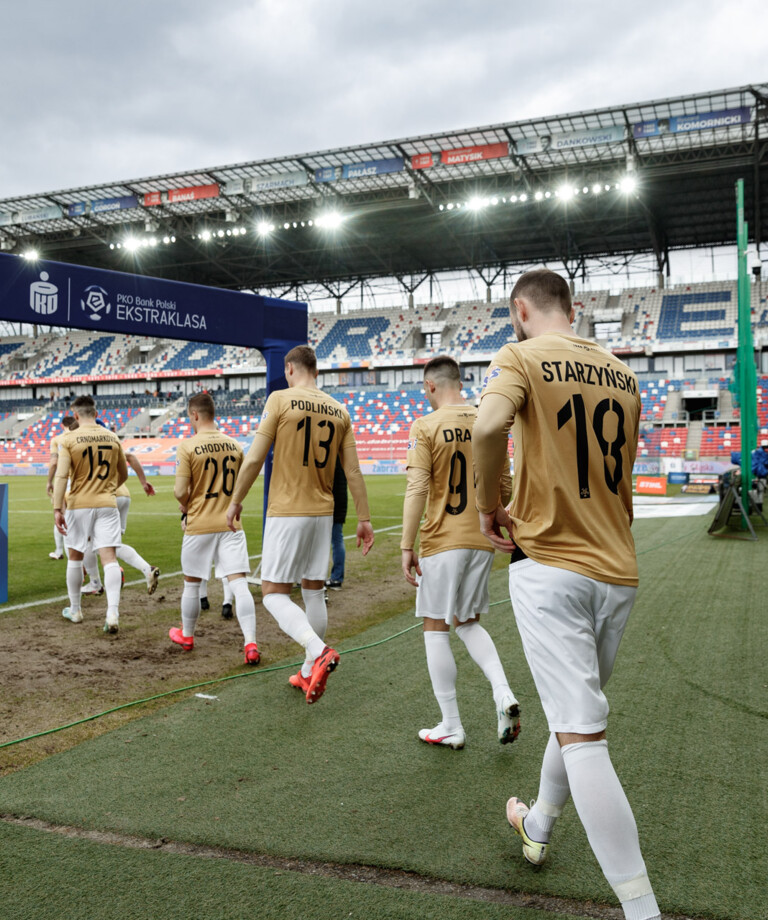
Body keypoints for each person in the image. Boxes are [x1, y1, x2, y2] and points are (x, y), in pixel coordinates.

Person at [472, 269, 660, 920]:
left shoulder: (520, 354)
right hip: (618, 568)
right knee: (572, 710)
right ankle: (540, 825)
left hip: (551, 563)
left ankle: (643, 913)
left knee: (583, 737)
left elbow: (488, 425)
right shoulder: (623, 372)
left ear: (521, 310)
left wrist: (488, 502)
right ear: (572, 309)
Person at [226, 345, 374, 704]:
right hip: (324, 512)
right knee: (312, 591)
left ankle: (317, 650)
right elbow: (352, 470)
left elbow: (255, 457)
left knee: (274, 594)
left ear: (290, 369)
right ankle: (308, 671)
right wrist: (364, 518)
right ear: (316, 371)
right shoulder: (339, 410)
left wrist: (234, 501)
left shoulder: (280, 400)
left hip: (288, 510)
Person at [401, 356, 520, 750]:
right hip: (480, 539)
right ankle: (503, 693)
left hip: (442, 540)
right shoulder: (487, 419)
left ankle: (451, 724)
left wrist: (406, 545)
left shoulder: (426, 425)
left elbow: (417, 489)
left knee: (436, 627)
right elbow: (504, 482)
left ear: (431, 386)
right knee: (467, 622)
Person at [171, 393, 259, 665]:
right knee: (239, 583)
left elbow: (178, 491)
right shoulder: (235, 445)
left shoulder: (188, 446)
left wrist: (186, 506)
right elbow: (243, 486)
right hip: (231, 525)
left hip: (199, 524)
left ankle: (187, 635)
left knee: (192, 583)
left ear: (195, 415)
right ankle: (251, 644)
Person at [53, 396, 128, 633]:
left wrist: (57, 508)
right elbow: (123, 474)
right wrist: (105, 489)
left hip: (79, 504)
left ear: (75, 415)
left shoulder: (68, 438)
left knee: (75, 556)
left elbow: (62, 476)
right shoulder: (113, 436)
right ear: (95, 413)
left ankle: (75, 610)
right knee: (110, 558)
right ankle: (113, 613)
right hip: (107, 503)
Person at [114, 451, 161, 594]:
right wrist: (143, 482)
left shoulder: (82, 441)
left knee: (96, 544)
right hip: (124, 495)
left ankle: (97, 581)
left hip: (106, 497)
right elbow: (130, 456)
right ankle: (147, 570)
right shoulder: (108, 440)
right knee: (114, 543)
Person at [46, 415, 77, 559]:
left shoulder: (58, 439)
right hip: (83, 484)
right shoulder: (80, 436)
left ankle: (66, 555)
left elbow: (53, 463)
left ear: (62, 425)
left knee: (61, 518)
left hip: (65, 483)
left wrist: (49, 482)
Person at [325, 460, 347, 589]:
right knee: (337, 540)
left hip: (332, 506)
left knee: (335, 541)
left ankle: (335, 578)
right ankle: (336, 578)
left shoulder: (333, 461)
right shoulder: (341, 462)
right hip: (339, 506)